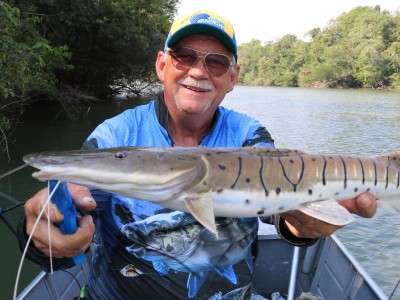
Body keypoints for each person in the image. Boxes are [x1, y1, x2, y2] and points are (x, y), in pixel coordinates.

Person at [18, 9, 377, 299]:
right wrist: (41, 230)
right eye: (184, 56)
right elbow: (65, 212)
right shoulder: (115, 135)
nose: (197, 71)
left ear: (232, 77)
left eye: (216, 62)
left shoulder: (249, 135)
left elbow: (283, 220)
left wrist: (311, 221)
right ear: (162, 65)